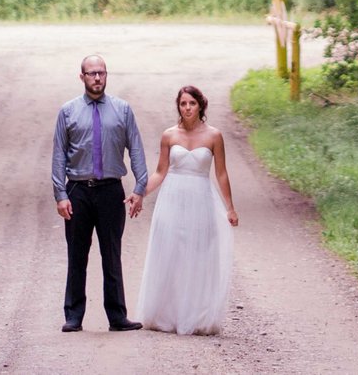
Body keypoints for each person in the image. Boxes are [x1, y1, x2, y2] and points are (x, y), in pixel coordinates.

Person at [49, 54, 149, 332]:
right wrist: (60, 194)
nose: (97, 78)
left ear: (107, 75)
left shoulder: (123, 110)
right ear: (81, 77)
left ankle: (117, 317)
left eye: (101, 73)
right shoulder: (68, 111)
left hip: (110, 191)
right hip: (78, 190)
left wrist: (140, 187)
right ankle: (73, 315)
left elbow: (136, 149)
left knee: (112, 254)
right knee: (77, 255)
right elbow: (59, 155)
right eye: (91, 73)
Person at [134, 84, 238, 335]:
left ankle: (195, 315)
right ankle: (165, 313)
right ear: (178, 106)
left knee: (198, 254)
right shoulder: (169, 135)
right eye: (183, 104)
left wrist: (230, 208)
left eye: (192, 103)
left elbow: (221, 174)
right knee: (170, 251)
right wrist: (139, 194)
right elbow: (160, 172)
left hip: (201, 197)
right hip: (172, 197)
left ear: (200, 105)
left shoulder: (214, 136)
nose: (188, 108)